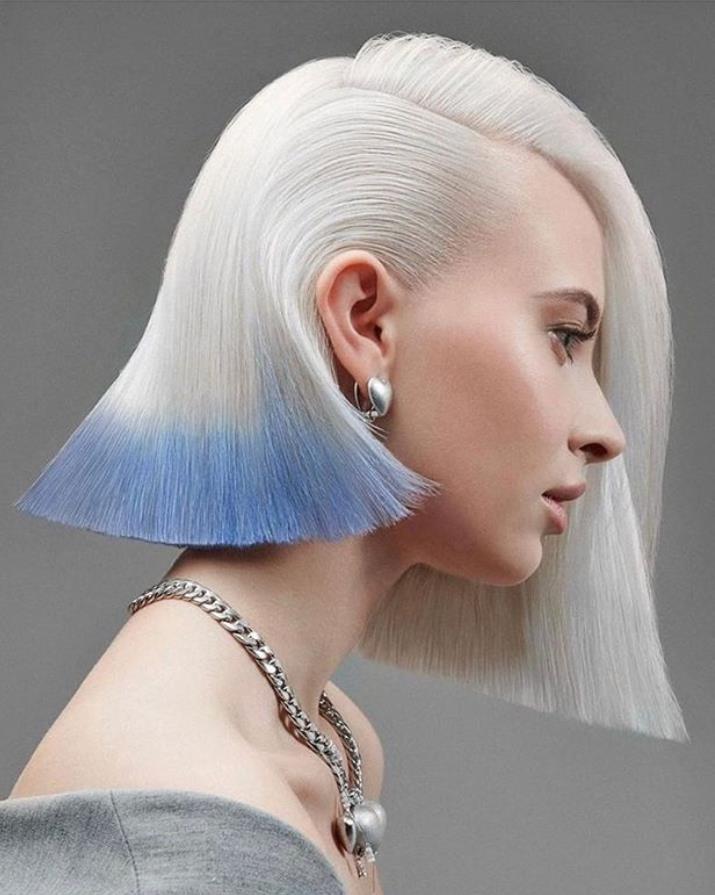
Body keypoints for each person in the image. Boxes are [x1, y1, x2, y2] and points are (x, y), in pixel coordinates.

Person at [1, 29, 689, 895]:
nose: (604, 431)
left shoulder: (327, 740)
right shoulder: (195, 798)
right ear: (364, 323)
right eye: (562, 335)